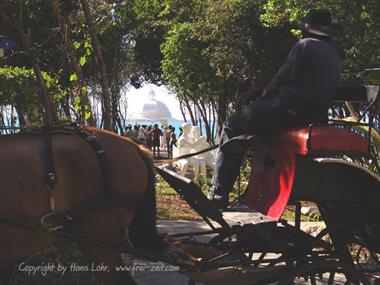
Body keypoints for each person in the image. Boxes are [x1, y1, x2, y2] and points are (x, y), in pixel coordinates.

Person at [208, 9, 342, 208]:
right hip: (314, 116)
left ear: (306, 30)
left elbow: (279, 81)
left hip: (288, 111)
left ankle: (218, 193)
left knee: (231, 125)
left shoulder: (304, 45)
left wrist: (262, 95)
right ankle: (254, 190)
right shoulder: (333, 53)